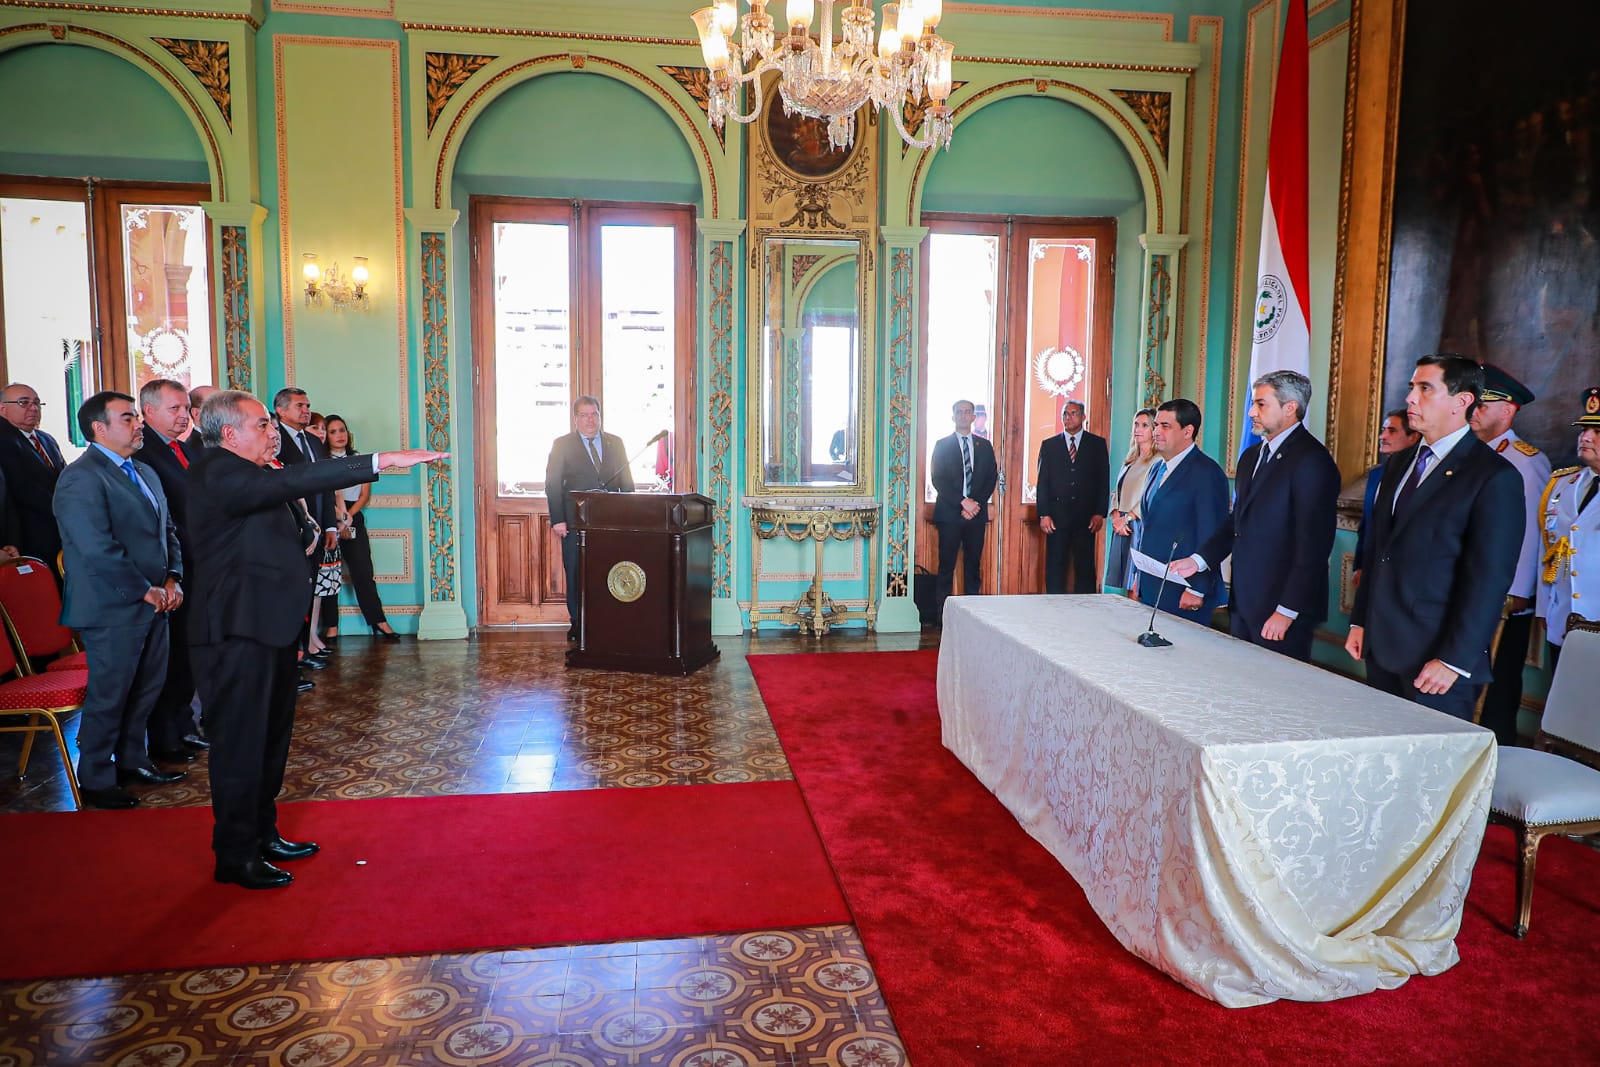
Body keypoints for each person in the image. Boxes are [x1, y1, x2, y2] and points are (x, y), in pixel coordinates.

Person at [187, 390, 445, 889]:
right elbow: (299, 479)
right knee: (241, 745)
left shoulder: (253, 472)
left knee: (270, 740)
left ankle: (264, 834)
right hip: (235, 631)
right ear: (228, 434)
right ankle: (235, 855)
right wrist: (379, 461)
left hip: (268, 626)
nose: (273, 432)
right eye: (262, 425)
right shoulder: (216, 470)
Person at [1346, 355, 1525, 720]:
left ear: (1462, 402)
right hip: (1382, 646)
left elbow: (1488, 580)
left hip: (1438, 663)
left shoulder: (1493, 476)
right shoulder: (1399, 463)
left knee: (1431, 774)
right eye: (1412, 387)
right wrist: (1361, 620)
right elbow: (1381, 550)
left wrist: (1453, 660)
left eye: (1425, 388)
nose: (1411, 398)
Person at [51, 391, 185, 810]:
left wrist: (172, 578)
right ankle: (95, 777)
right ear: (98, 428)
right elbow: (95, 548)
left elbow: (168, 532)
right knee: (110, 694)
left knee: (146, 687)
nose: (138, 424)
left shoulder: (143, 469)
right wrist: (144, 589)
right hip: (113, 605)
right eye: (128, 418)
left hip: (156, 599)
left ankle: (132, 760)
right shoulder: (81, 477)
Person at [1170, 371, 1341, 661]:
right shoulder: (1251, 457)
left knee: (1276, 696)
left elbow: (1313, 547)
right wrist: (1197, 561)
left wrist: (1286, 611)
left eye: (1261, 404)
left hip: (1283, 608)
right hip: (1246, 600)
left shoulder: (1312, 461)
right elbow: (1237, 521)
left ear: (1290, 408)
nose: (1251, 412)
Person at [1470, 365, 1551, 745]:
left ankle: (1497, 747)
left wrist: (1515, 591)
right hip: (1469, 587)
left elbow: (1530, 533)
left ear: (1508, 410)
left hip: (1504, 597)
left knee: (1498, 679)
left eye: (1484, 405)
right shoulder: (1468, 453)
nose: (1474, 411)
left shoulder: (1525, 461)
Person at [136, 378, 208, 762]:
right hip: (168, 569)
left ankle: (183, 726)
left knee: (187, 652)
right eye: (175, 409)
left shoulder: (185, 449)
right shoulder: (144, 453)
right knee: (168, 656)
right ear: (148, 411)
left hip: (195, 563)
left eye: (186, 408)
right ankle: (165, 736)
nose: (184, 416)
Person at [1132, 398, 1230, 624]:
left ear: (1188, 431)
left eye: (1165, 426)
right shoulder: (1157, 467)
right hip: (1152, 584)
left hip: (1184, 589)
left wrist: (1198, 588)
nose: (1156, 431)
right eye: (1156, 425)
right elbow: (1150, 527)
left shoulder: (1206, 473)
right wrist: (1140, 576)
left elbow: (1213, 535)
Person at [545, 395, 633, 640]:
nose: (589, 420)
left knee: (608, 570)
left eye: (593, 414)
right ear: (576, 419)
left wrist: (630, 517)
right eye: (584, 415)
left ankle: (607, 619)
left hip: (610, 522)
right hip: (574, 521)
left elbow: (627, 483)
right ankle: (577, 622)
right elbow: (552, 483)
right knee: (575, 571)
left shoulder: (616, 443)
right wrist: (558, 519)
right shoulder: (562, 444)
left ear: (600, 416)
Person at [1537, 386, 1600, 674]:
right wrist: (1543, 611)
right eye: (1584, 430)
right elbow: (1547, 551)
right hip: (1562, 620)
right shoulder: (1562, 484)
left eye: (1597, 432)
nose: (1586, 437)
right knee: (1560, 710)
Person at [323, 414, 400, 641]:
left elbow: (364, 494)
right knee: (329, 575)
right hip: (329, 516)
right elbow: (328, 493)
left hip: (353, 515)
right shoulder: (322, 461)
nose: (340, 435)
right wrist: (338, 519)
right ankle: (331, 627)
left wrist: (348, 518)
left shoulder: (360, 459)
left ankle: (379, 621)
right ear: (326, 436)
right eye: (333, 431)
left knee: (363, 573)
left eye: (342, 430)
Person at [929, 399, 999, 622]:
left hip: (976, 515)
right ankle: (943, 618)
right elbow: (937, 479)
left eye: (967, 411)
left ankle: (972, 619)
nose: (963, 415)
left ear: (973, 417)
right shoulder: (942, 445)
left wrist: (975, 503)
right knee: (946, 567)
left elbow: (991, 478)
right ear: (953, 416)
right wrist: (962, 502)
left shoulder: (984, 446)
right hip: (949, 514)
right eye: (959, 411)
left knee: (973, 566)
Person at [1036, 400, 1110, 593]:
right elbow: (1042, 482)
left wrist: (1100, 513)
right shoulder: (1049, 445)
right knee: (1055, 565)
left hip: (1086, 517)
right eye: (1065, 414)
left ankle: (1086, 609)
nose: (1068, 418)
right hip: (1057, 516)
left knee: (1085, 566)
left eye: (1073, 413)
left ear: (1083, 417)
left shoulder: (1097, 444)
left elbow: (1104, 480)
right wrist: (1044, 513)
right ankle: (1053, 608)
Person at [0, 382, 67, 576]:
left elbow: (62, 478)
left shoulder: (46, 439)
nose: (33, 408)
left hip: (57, 532)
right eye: (24, 402)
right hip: (24, 536)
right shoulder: (4, 440)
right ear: (2, 408)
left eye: (37, 403)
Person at [1352, 408, 1420, 586]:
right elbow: (1366, 525)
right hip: (1370, 571)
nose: (1382, 436)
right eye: (1383, 430)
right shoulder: (1376, 474)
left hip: (1400, 577)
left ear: (1413, 437)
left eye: (1391, 431)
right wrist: (1360, 565)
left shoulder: (1416, 478)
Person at [1107, 408, 1158, 592]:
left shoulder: (1157, 460)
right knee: (1122, 581)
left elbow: (1149, 494)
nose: (1138, 429)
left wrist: (1127, 518)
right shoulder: (1131, 458)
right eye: (1136, 425)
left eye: (1144, 425)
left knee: (1135, 583)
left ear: (1154, 429)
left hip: (1136, 523)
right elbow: (1117, 490)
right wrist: (1115, 515)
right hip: (1120, 523)